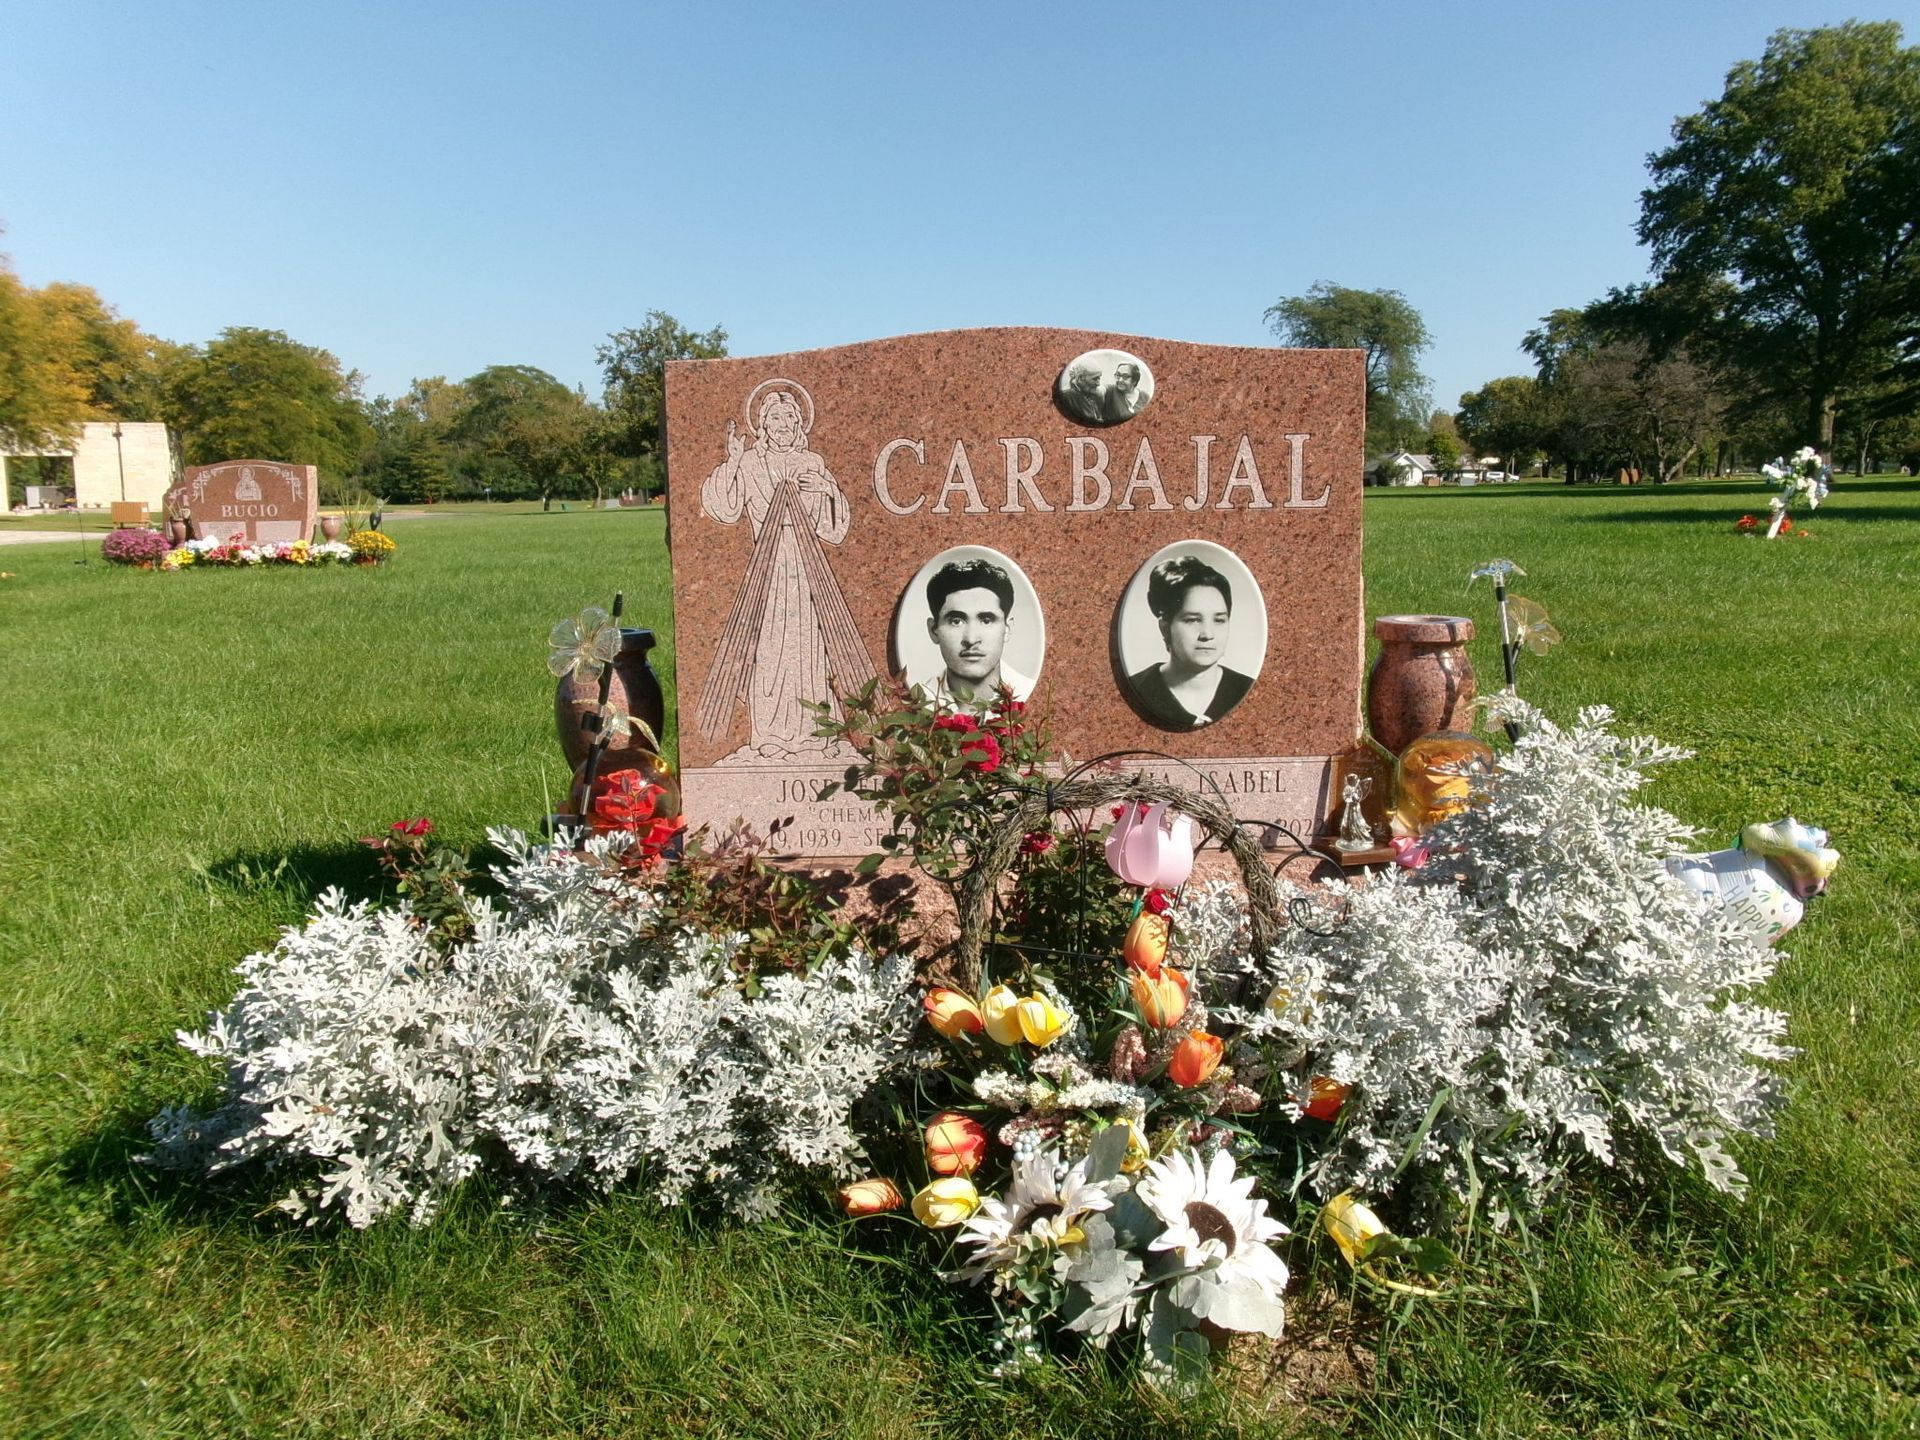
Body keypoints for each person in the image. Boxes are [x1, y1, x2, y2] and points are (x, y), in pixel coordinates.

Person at [697, 386, 872, 754]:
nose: (782, 425)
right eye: (774, 418)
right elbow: (723, 510)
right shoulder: (749, 463)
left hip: (807, 570)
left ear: (798, 423)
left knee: (809, 648)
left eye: (789, 418)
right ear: (762, 424)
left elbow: (834, 531)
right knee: (771, 649)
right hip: (767, 569)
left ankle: (814, 732)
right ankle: (771, 735)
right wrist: (730, 461)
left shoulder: (813, 463)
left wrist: (827, 488)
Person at [1126, 555, 1254, 729]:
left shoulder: (1246, 688)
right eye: (1193, 620)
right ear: (1165, 627)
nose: (1208, 634)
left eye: (1219, 620)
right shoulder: (1138, 688)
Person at [920, 557, 1035, 710]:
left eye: (986, 620)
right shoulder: (921, 698)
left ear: (1007, 628)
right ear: (933, 630)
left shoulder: (1026, 689)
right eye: (956, 621)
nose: (971, 639)